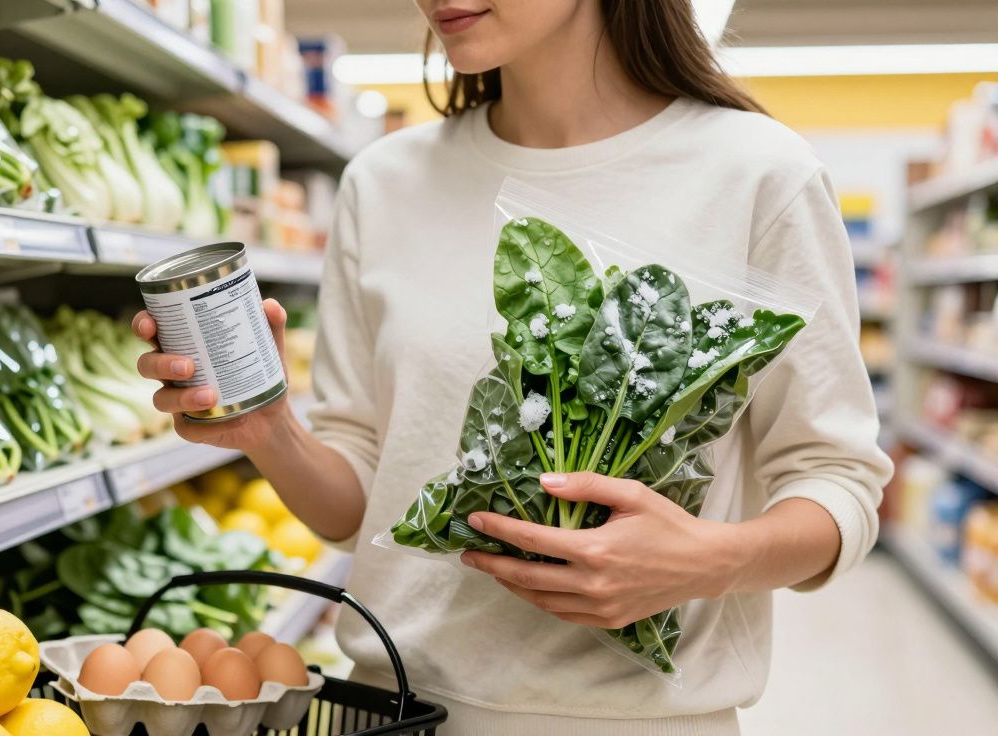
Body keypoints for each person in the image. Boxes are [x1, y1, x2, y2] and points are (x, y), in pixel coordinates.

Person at [132, 1, 892, 733]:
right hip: (391, 710)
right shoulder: (383, 182)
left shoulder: (758, 173)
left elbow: (838, 479)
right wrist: (272, 434)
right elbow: (357, 512)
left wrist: (704, 562)